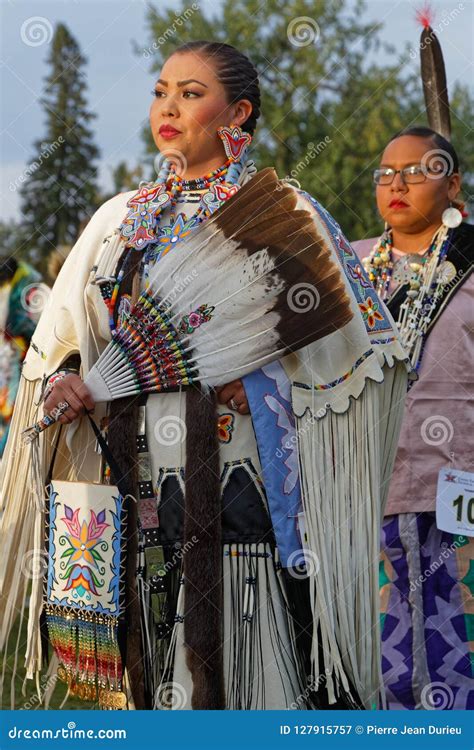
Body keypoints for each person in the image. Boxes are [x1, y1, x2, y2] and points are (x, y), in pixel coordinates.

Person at [0, 42, 409, 711]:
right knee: (147, 666)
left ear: (238, 113)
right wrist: (71, 381)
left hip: (238, 481)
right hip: (130, 480)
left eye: (191, 93)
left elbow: (363, 359)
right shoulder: (118, 222)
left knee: (246, 675)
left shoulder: (286, 220)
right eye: (162, 90)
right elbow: (67, 343)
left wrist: (258, 383)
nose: (168, 106)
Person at [352, 126, 473, 710]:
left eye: (417, 171)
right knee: (385, 637)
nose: (397, 183)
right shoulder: (347, 267)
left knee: (461, 626)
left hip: (461, 478)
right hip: (370, 481)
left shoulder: (471, 263)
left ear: (453, 185)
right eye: (386, 172)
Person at [0, 256, 46, 456]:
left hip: (31, 360)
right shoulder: (14, 289)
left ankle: (7, 453)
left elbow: (41, 327)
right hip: (14, 359)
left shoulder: (31, 290)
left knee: (19, 411)